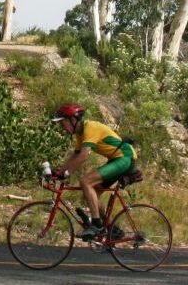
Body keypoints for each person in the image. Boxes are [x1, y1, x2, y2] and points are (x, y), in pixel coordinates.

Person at [51, 102, 135, 239]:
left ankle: (97, 225)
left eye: (63, 123)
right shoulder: (80, 133)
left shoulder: (90, 128)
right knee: (93, 192)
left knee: (85, 181)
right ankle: (112, 228)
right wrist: (60, 171)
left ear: (73, 120)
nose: (62, 127)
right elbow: (76, 155)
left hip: (125, 158)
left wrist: (66, 173)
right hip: (116, 159)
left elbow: (84, 155)